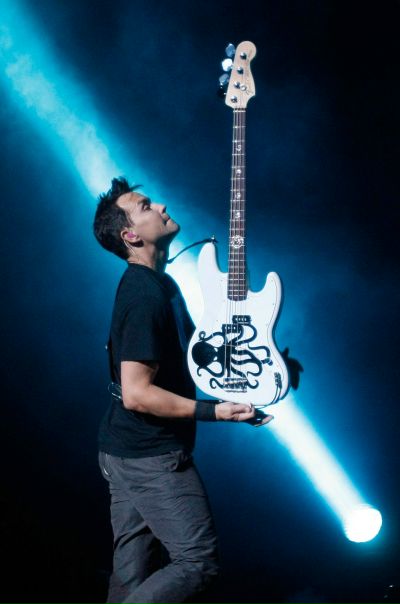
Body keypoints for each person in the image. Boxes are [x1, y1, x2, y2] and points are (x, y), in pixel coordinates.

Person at [93, 177, 273, 604]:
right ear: (131, 236)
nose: (160, 205)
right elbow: (137, 394)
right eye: (145, 206)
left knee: (133, 578)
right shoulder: (144, 296)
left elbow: (199, 354)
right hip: (148, 455)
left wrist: (266, 364)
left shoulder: (163, 285)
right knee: (197, 561)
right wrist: (215, 412)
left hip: (125, 449)